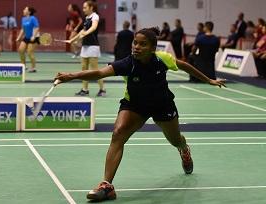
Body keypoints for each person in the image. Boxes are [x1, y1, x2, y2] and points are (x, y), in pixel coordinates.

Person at [55, 27, 226, 202]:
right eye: (135, 43)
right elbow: (100, 73)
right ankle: (107, 186)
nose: (136, 47)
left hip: (162, 105)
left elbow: (183, 65)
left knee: (175, 140)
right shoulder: (127, 63)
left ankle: (184, 149)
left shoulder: (162, 59)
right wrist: (72, 75)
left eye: (143, 44)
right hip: (135, 105)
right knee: (118, 134)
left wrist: (209, 80)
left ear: (152, 48)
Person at [66, 0, 106, 97]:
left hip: (93, 46)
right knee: (84, 69)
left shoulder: (95, 16)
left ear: (91, 7)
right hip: (85, 46)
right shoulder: (86, 18)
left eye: (85, 7)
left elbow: (94, 27)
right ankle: (85, 89)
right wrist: (72, 40)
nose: (83, 9)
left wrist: (86, 33)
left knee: (95, 70)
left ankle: (102, 89)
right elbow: (82, 31)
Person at [16, 7, 40, 73]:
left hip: (34, 38)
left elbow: (37, 27)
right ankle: (23, 65)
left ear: (29, 12)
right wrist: (19, 37)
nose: (23, 10)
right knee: (20, 50)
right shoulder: (23, 19)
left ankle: (33, 67)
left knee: (30, 52)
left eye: (25, 9)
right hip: (26, 37)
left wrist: (33, 36)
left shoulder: (33, 18)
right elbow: (23, 29)